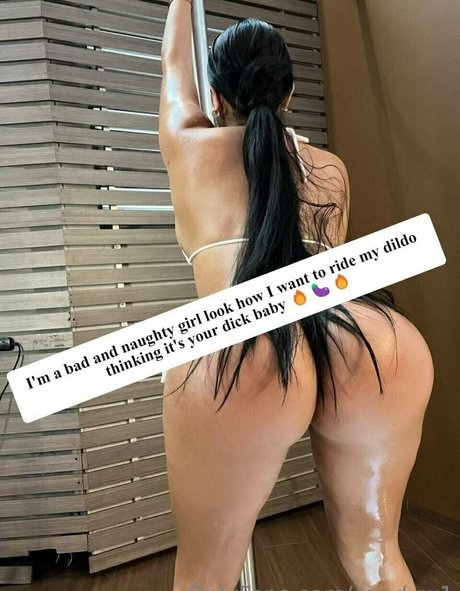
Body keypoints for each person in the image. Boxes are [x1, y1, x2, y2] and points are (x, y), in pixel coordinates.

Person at [159, 4, 434, 591]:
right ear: (288, 95)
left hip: (237, 352)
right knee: (378, 556)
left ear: (216, 98)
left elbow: (173, 66)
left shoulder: (189, 147)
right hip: (371, 339)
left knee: (205, 575)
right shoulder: (330, 168)